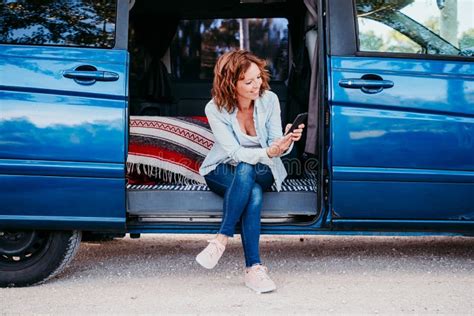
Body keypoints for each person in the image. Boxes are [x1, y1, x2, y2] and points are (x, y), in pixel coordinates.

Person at [196, 50, 305, 293]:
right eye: (248, 81)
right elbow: (234, 153)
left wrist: (285, 144)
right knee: (251, 190)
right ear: (230, 84)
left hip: (265, 168)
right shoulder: (214, 109)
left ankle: (221, 239)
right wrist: (266, 152)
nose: (257, 85)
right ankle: (253, 269)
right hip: (222, 168)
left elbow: (276, 146)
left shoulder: (270, 100)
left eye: (258, 77)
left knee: (249, 171)